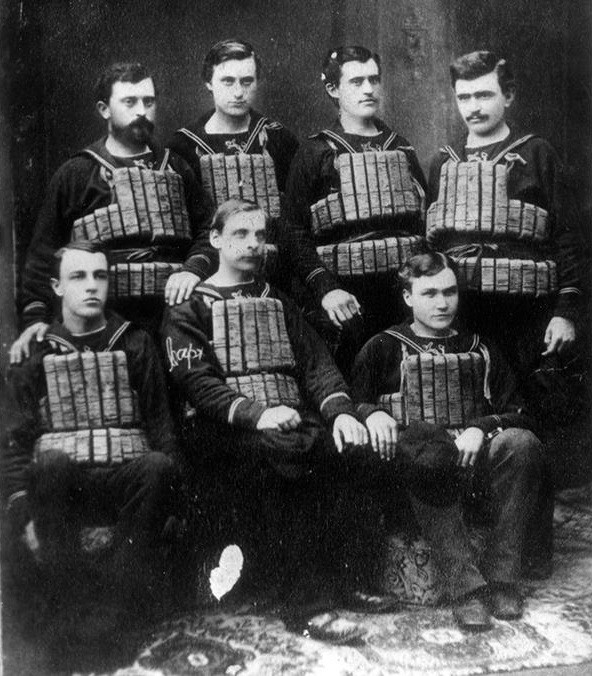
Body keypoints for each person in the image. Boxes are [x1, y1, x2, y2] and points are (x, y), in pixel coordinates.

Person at [351, 251, 545, 630]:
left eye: (450, 292)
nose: (442, 303)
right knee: (425, 452)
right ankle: (466, 589)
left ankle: (503, 578)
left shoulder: (480, 347)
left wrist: (482, 425)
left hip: (473, 465)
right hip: (414, 473)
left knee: (522, 443)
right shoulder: (383, 347)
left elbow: (520, 411)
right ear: (407, 297)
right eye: (429, 293)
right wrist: (369, 413)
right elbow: (353, 402)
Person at [3, 241, 180, 649]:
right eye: (78, 277)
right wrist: (22, 510)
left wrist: (174, 501)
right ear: (57, 287)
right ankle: (70, 604)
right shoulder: (37, 350)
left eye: (99, 276)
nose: (91, 286)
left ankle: (115, 610)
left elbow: (161, 425)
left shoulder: (134, 342)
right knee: (49, 465)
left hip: (122, 484)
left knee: (156, 466)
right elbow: (14, 445)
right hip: (63, 491)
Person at [11, 61, 213, 363]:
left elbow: (209, 231)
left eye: (148, 101)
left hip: (173, 309)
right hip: (107, 317)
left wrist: (192, 269)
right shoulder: (77, 174)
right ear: (104, 109)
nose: (141, 110)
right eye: (129, 102)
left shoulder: (176, 167)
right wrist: (36, 318)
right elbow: (43, 254)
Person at [426, 51, 585, 419]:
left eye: (484, 95)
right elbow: (432, 245)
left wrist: (566, 312)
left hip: (528, 311)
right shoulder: (443, 161)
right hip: (466, 310)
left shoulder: (537, 153)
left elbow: (567, 238)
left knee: (537, 403)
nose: (473, 107)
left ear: (508, 96)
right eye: (464, 97)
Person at [281, 45, 427, 374]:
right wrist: (326, 289)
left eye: (374, 80)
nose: (368, 89)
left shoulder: (401, 147)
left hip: (400, 293)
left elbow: (424, 221)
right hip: (344, 294)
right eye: (357, 81)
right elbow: (293, 231)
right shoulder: (315, 151)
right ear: (333, 89)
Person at [168, 39, 299, 298]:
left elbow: (295, 221)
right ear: (208, 82)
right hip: (209, 277)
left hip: (274, 274)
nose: (239, 92)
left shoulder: (280, 140)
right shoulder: (181, 146)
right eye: (228, 81)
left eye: (247, 81)